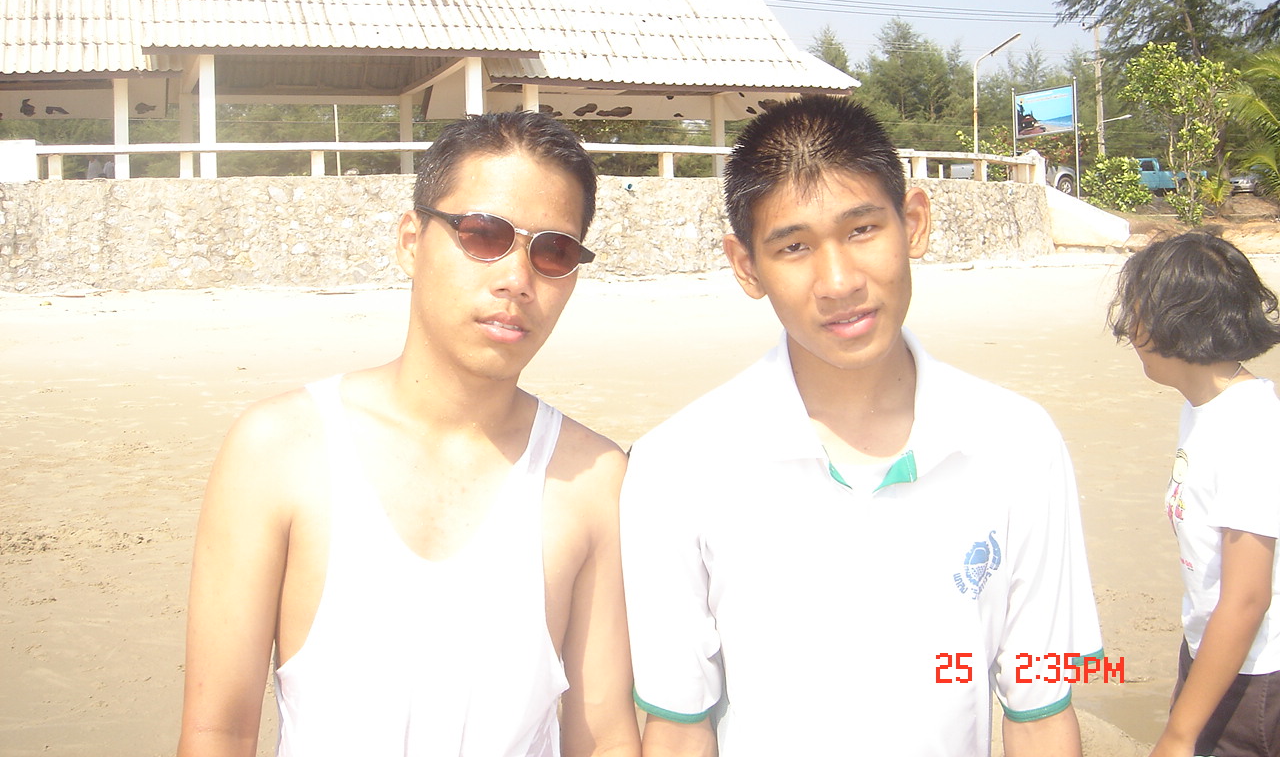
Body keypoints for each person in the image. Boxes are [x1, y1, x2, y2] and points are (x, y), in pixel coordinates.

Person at [620, 95, 1102, 757]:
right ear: (746, 266)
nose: (839, 281)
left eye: (862, 229)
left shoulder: (1018, 444)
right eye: (793, 246)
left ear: (914, 223)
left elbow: (1040, 710)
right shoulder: (676, 467)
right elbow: (678, 728)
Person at [178, 111, 641, 757]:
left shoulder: (593, 482)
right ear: (409, 242)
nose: (516, 279)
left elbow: (606, 736)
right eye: (484, 234)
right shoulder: (278, 451)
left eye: (553, 251)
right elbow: (218, 731)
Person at [1109, 232, 1280, 757]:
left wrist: (1180, 735)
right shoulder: (1205, 408)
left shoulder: (1248, 428)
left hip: (1256, 678)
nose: (1130, 330)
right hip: (1214, 654)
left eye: (1138, 314)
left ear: (1177, 323)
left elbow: (1247, 598)